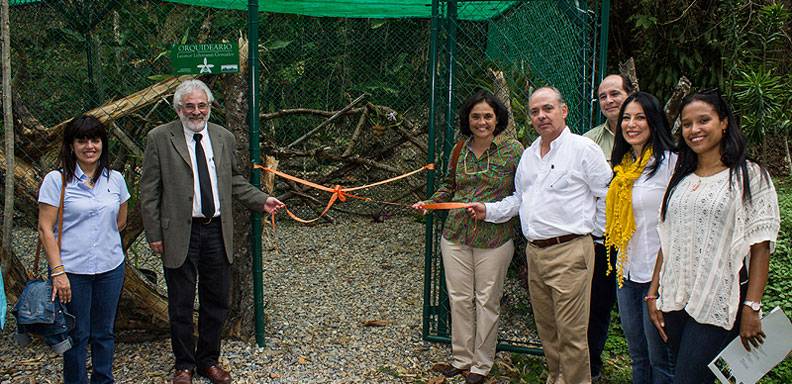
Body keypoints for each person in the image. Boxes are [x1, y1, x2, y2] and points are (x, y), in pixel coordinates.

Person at [140, 79, 285, 384]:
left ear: (209, 107)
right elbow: (149, 191)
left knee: (216, 301)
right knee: (180, 302)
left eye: (202, 105)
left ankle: (208, 360)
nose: (196, 111)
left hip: (217, 231)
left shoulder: (223, 137)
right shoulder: (159, 138)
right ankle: (183, 365)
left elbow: (233, 181)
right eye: (190, 106)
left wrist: (262, 200)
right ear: (179, 108)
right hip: (180, 233)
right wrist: (154, 234)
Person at [469, 87, 612, 384]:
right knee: (547, 329)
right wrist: (488, 210)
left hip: (570, 250)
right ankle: (555, 377)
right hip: (536, 252)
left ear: (564, 110)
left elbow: (607, 196)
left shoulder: (583, 150)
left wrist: (593, 238)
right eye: (534, 111)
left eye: (547, 108)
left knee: (572, 334)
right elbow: (520, 199)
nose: (541, 116)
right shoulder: (530, 155)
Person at [647, 89, 780, 384]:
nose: (694, 130)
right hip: (675, 299)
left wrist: (752, 307)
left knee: (687, 379)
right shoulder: (681, 178)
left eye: (703, 120)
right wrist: (653, 293)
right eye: (687, 123)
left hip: (719, 302)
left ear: (723, 123)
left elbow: (761, 247)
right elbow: (667, 239)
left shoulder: (750, 176)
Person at [413, 91, 523, 384]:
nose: (482, 121)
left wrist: (491, 210)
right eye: (476, 116)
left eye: (488, 116)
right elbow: (449, 185)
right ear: (468, 119)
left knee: (487, 301)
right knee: (460, 299)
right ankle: (462, 359)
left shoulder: (514, 150)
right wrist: (430, 203)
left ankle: (482, 364)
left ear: (497, 118)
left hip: (494, 238)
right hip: (455, 235)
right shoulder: (459, 148)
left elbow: (521, 194)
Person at [38, 115, 130, 384]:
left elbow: (120, 221)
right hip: (71, 271)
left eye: (95, 139)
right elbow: (46, 229)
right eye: (82, 140)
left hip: (110, 268)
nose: (89, 146)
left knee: (104, 333)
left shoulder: (116, 179)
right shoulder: (57, 181)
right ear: (71, 145)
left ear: (103, 144)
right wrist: (58, 272)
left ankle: (103, 379)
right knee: (77, 335)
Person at [605, 92, 675, 383]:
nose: (631, 124)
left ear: (654, 121)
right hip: (627, 272)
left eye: (640, 117)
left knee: (661, 360)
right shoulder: (622, 168)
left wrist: (658, 284)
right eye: (626, 118)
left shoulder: (672, 164)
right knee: (638, 355)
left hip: (659, 276)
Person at [583, 74, 633, 380]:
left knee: (639, 309)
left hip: (638, 242)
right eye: (603, 96)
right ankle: (591, 365)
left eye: (615, 93)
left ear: (629, 94)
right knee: (596, 306)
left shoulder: (647, 135)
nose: (609, 100)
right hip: (601, 240)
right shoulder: (588, 141)